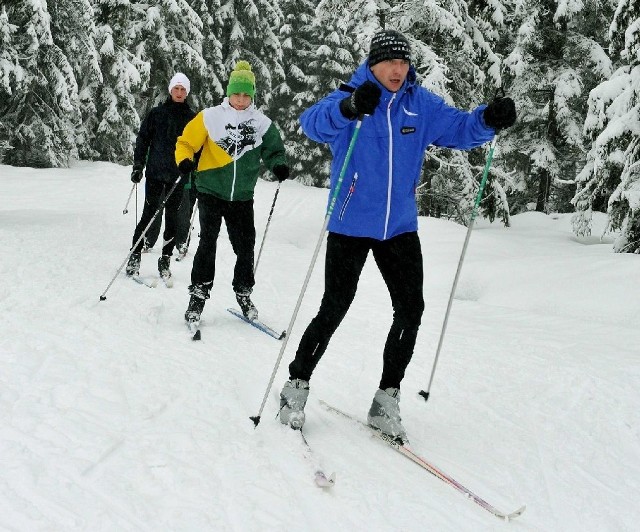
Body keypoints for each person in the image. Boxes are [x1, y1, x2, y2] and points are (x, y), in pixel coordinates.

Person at [278, 30, 516, 442]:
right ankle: (295, 386)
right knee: (334, 308)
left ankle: (386, 398)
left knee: (411, 309)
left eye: (403, 62)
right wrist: (350, 108)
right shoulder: (352, 97)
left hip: (399, 228)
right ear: (372, 64)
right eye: (389, 62)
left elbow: (459, 128)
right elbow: (311, 125)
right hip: (350, 224)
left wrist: (486, 119)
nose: (397, 69)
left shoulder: (418, 104)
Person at [175, 61, 291, 325]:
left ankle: (243, 292)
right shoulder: (210, 116)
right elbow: (186, 142)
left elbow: (274, 151)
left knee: (245, 246)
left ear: (252, 95)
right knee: (207, 243)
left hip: (241, 196)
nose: (240, 100)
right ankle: (198, 296)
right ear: (229, 93)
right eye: (236, 94)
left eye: (246, 95)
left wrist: (279, 165)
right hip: (210, 191)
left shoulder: (261, 123)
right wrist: (184, 160)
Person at [125, 73, 197, 281]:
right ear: (170, 90)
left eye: (183, 90)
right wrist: (138, 165)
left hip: (178, 177)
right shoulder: (157, 114)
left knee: (172, 219)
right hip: (156, 173)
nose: (180, 93)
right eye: (177, 88)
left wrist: (195, 171)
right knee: (148, 215)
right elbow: (143, 140)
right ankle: (135, 255)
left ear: (187, 92)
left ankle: (165, 259)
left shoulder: (192, 118)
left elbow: (197, 148)